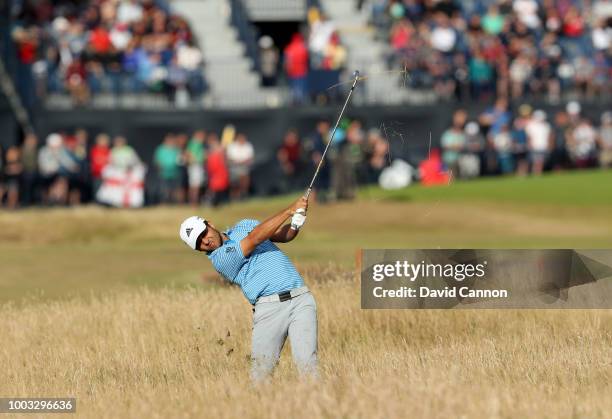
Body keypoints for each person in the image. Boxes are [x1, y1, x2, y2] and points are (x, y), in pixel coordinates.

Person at [178, 195, 316, 383]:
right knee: (261, 376)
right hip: (269, 309)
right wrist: (289, 210)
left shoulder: (244, 225)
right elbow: (255, 238)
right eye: (199, 243)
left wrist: (296, 222)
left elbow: (282, 236)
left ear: (209, 223)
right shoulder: (220, 259)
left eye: (204, 233)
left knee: (309, 367)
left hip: (301, 299)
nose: (206, 241)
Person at [227, 133, 255, 201]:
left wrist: (244, 162)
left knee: (244, 181)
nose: (242, 140)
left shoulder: (248, 146)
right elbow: (229, 158)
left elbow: (251, 158)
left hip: (244, 167)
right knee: (234, 183)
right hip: (234, 167)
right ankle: (234, 197)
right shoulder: (232, 146)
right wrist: (235, 162)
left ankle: (243, 195)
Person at [154, 134, 181, 204]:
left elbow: (180, 159)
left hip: (174, 173)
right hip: (164, 173)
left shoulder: (176, 149)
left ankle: (173, 203)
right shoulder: (161, 149)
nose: (171, 142)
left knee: (174, 189)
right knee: (163, 190)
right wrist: (159, 168)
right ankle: (164, 203)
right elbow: (157, 160)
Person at [186, 130, 207, 206]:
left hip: (197, 166)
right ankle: (193, 202)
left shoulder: (198, 144)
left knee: (195, 185)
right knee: (195, 186)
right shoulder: (194, 143)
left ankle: (194, 202)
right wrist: (195, 160)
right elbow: (188, 154)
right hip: (195, 166)